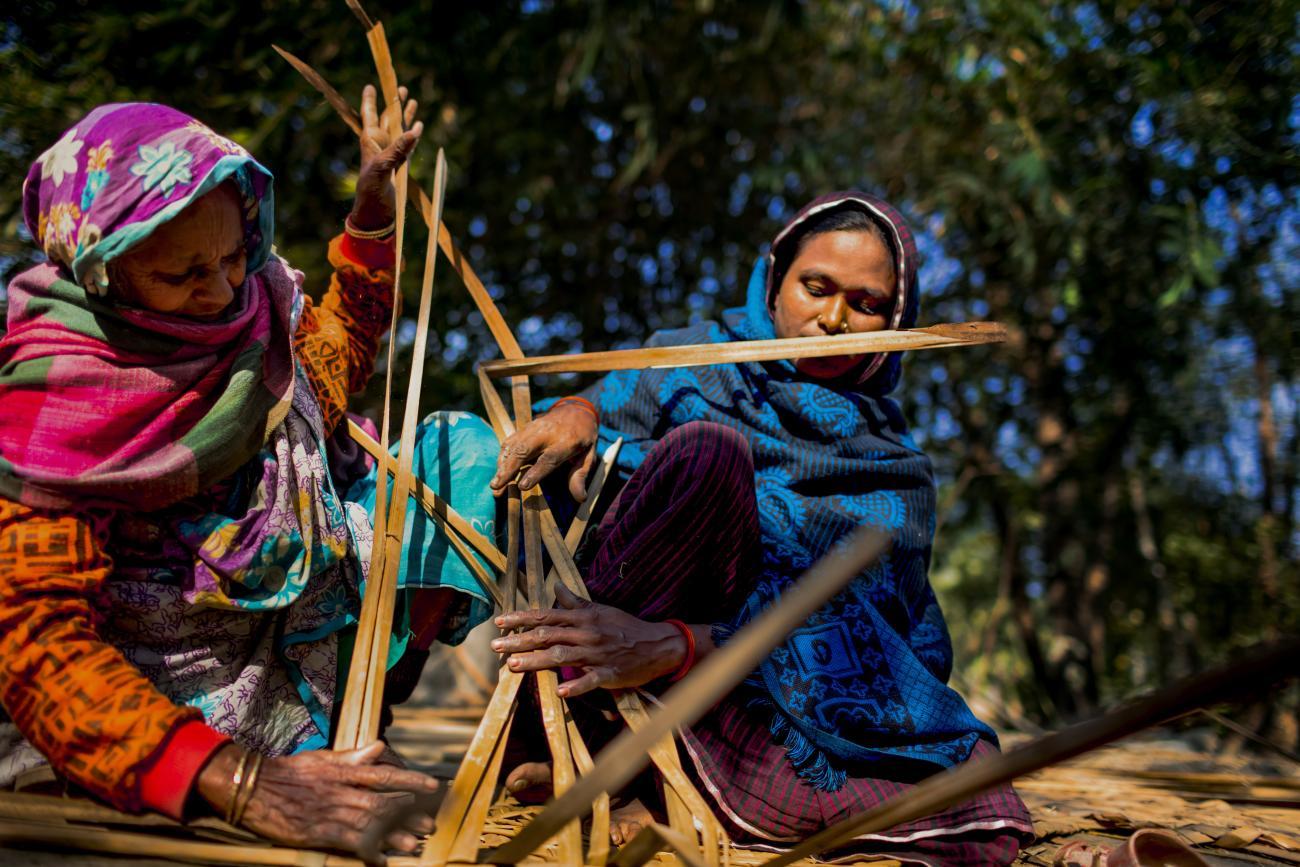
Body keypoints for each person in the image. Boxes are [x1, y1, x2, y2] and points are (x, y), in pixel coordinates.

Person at [0, 90, 500, 861]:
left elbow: (343, 352)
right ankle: (255, 754)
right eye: (183, 273)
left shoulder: (260, 312)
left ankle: (351, 730)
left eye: (236, 254)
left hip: (290, 639)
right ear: (100, 269)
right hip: (153, 692)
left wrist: (371, 207)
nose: (223, 288)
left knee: (454, 454)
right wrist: (239, 782)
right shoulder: (57, 398)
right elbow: (36, 638)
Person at [489, 192, 1035, 863]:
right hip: (602, 654)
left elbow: (875, 633)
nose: (832, 319)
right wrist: (578, 410)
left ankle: (658, 781)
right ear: (774, 282)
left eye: (865, 304)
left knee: (982, 801)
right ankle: (578, 740)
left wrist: (685, 644)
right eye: (815, 287)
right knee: (708, 453)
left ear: (894, 319)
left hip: (732, 686)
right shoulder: (684, 366)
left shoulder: (896, 470)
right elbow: (579, 437)